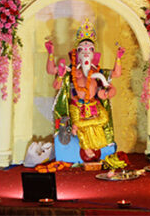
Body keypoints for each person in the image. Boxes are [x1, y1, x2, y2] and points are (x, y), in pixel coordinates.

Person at [45, 19, 124, 162]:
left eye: (90, 49)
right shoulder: (71, 71)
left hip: (94, 105)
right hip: (76, 106)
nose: (86, 52)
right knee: (77, 128)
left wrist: (118, 58)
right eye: (82, 49)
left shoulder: (98, 72)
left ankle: (97, 152)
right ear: (77, 53)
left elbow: (116, 74)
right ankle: (82, 150)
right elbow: (52, 72)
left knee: (103, 120)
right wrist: (51, 54)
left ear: (94, 53)